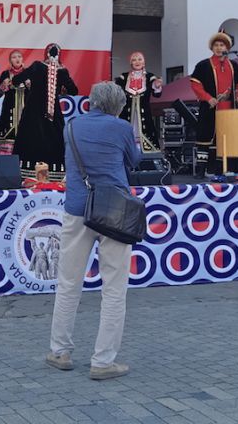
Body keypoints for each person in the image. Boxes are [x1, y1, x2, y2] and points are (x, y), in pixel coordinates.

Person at [46, 81, 141, 379]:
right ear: (117, 107)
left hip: (77, 208)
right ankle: (103, 361)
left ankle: (59, 350)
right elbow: (135, 160)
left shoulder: (71, 126)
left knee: (68, 283)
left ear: (92, 102)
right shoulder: (122, 128)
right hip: (114, 211)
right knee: (114, 288)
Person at [12, 44, 79, 181]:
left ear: (45, 53)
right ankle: (54, 173)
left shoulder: (37, 66)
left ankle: (27, 173)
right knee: (54, 139)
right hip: (53, 114)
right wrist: (62, 88)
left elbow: (16, 80)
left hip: (33, 111)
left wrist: (29, 82)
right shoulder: (62, 71)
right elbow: (74, 91)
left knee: (30, 138)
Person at [190, 31, 238, 177]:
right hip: (209, 108)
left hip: (227, 109)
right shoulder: (203, 65)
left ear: (227, 47)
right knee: (205, 139)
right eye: (216, 45)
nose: (219, 48)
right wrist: (208, 98)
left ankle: (221, 170)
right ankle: (201, 171)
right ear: (212, 47)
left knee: (224, 141)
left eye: (222, 45)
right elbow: (195, 84)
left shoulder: (234, 66)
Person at [115, 52, 163, 152]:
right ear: (130, 63)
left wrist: (157, 86)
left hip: (144, 113)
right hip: (126, 113)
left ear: (144, 62)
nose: (137, 62)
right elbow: (117, 90)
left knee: (146, 132)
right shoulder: (124, 77)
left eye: (140, 59)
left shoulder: (150, 77)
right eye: (134, 59)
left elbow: (157, 94)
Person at [0, 49, 28, 155]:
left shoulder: (29, 73)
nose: (17, 59)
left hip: (26, 111)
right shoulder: (6, 74)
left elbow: (37, 93)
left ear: (22, 59)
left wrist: (30, 85)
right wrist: (4, 85)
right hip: (9, 112)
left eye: (19, 56)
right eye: (14, 57)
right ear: (10, 61)